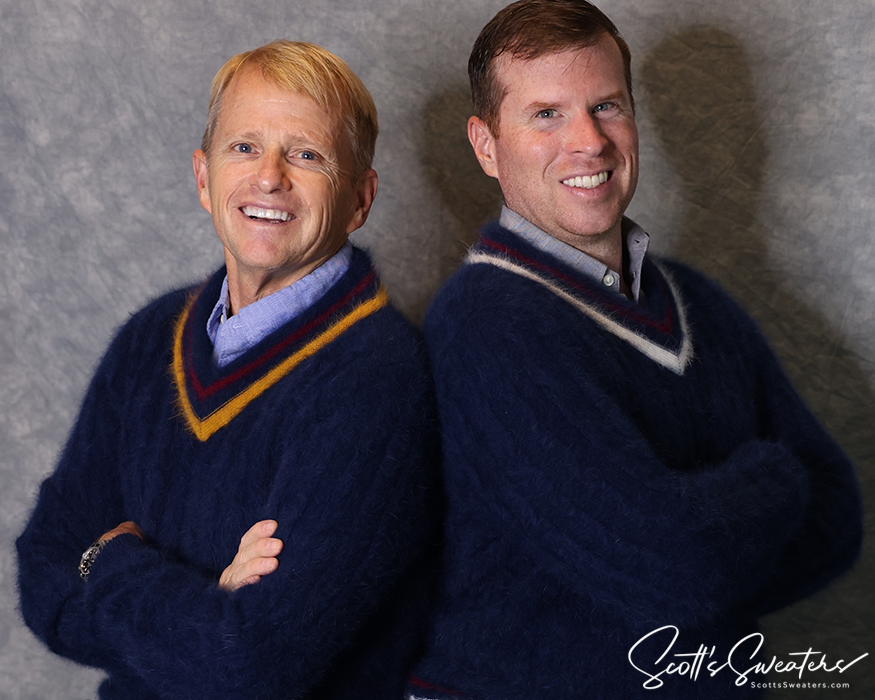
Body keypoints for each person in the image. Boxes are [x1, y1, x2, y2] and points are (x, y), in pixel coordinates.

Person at [407, 2, 863, 698]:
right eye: (546, 114)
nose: (588, 141)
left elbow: (837, 519)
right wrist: (776, 472)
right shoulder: (486, 324)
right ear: (486, 145)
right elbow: (678, 568)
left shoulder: (698, 302)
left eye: (606, 106)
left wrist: (696, 551)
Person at [17, 40, 440, 700]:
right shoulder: (152, 335)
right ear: (203, 177)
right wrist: (204, 603)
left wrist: (109, 561)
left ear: (360, 198)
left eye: (307, 155)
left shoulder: (377, 380)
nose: (269, 177)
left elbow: (248, 665)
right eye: (244, 147)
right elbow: (42, 577)